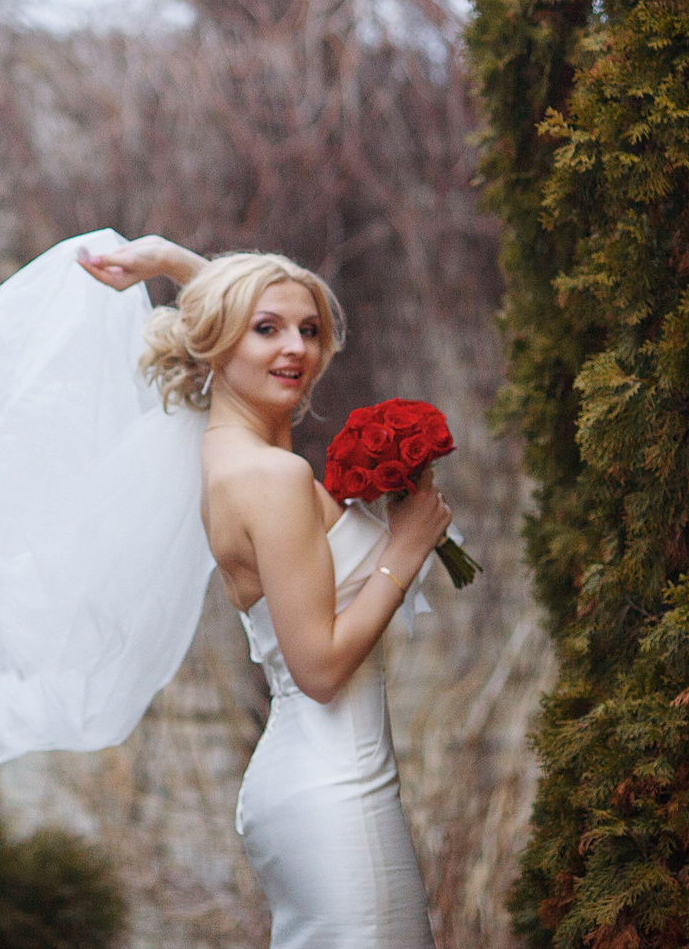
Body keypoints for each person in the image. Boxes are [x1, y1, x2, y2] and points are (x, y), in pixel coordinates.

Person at [79, 236, 448, 949]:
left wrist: (170, 261)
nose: (296, 348)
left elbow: (231, 318)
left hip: (318, 777)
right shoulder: (270, 477)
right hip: (336, 786)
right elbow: (319, 668)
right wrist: (402, 552)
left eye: (309, 330)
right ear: (220, 340)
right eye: (270, 329)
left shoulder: (229, 452)